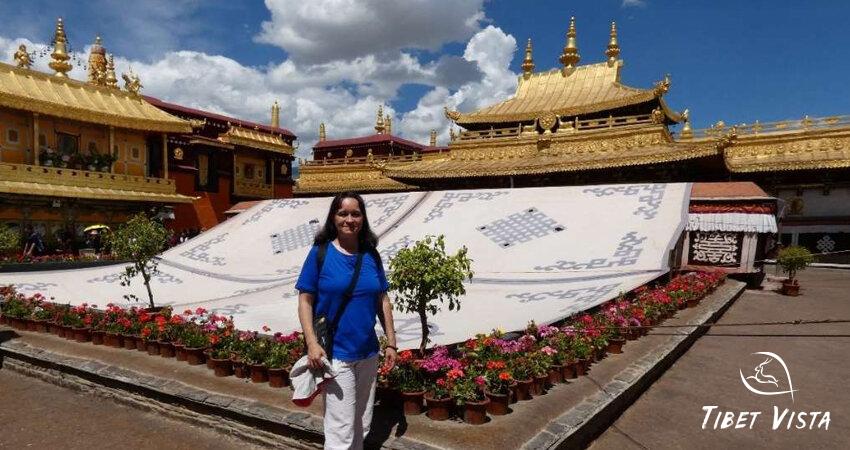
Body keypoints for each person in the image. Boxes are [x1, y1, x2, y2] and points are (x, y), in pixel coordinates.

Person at [295, 192, 398, 450]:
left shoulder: (371, 255)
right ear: (333, 217)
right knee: (340, 428)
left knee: (361, 423)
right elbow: (305, 301)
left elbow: (382, 299)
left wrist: (391, 343)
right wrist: (311, 343)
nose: (349, 219)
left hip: (368, 353)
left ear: (363, 218)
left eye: (355, 213)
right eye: (343, 213)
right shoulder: (320, 254)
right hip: (337, 354)